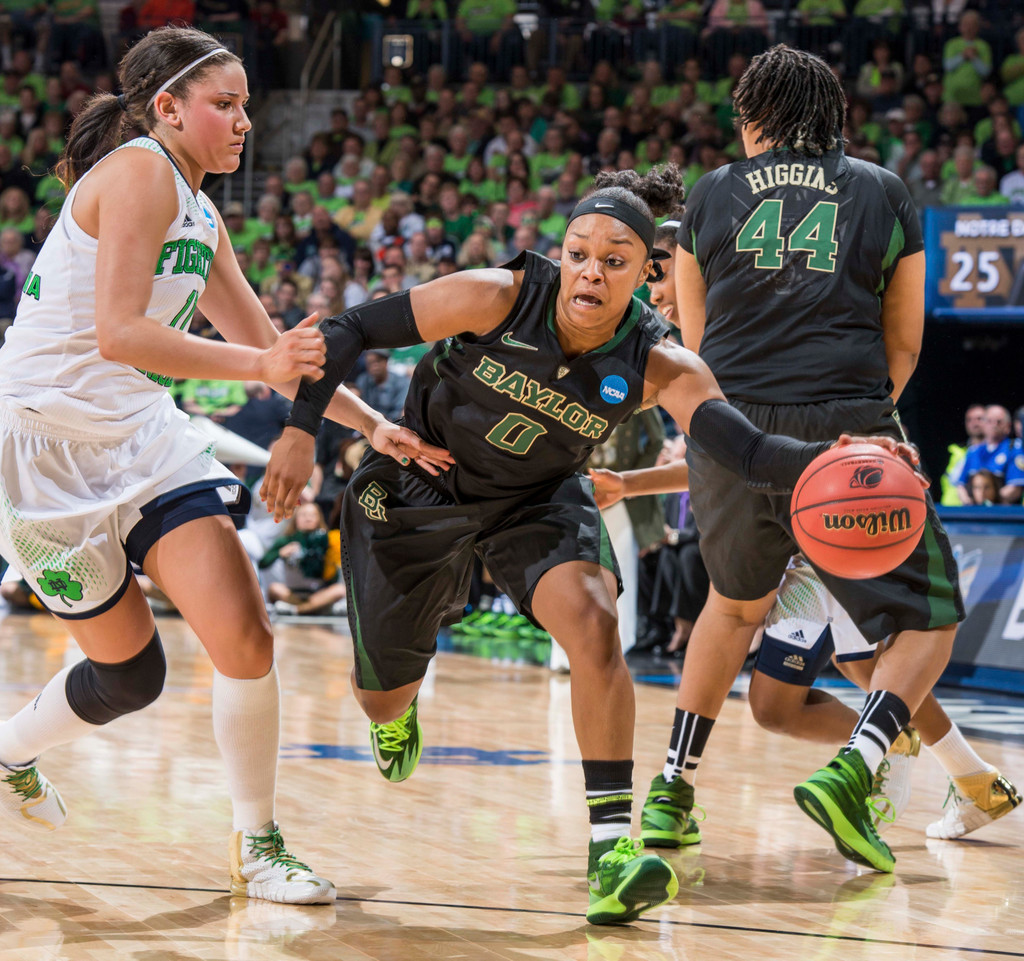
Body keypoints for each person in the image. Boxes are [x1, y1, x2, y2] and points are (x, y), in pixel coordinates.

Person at [258, 163, 918, 923]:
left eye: (614, 260)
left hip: (537, 499)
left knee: (596, 625)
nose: (591, 272)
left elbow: (743, 448)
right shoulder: (494, 294)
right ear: (561, 255)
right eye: (578, 254)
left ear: (645, 273)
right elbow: (347, 329)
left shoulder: (661, 361)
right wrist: (300, 432)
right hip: (421, 482)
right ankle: (395, 709)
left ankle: (611, 849)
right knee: (381, 695)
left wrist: (835, 457)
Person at [0, 26, 448, 906]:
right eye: (226, 104)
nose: (244, 121)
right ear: (168, 108)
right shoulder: (136, 171)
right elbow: (121, 333)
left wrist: (372, 424)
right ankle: (10, 750)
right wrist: (263, 367)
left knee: (247, 634)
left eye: (248, 105)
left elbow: (271, 349)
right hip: (42, 449)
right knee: (131, 676)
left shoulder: (202, 214)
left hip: (140, 436)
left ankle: (259, 844)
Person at [639, 45, 963, 877]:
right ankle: (858, 766)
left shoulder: (710, 192)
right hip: (847, 425)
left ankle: (672, 788)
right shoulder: (885, 189)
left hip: (732, 423)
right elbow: (904, 341)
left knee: (730, 608)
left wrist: (740, 416)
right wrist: (862, 423)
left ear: (754, 118)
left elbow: (696, 342)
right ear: (833, 116)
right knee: (931, 615)